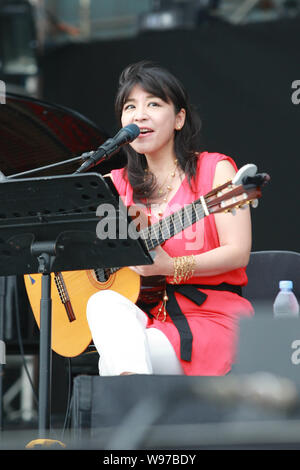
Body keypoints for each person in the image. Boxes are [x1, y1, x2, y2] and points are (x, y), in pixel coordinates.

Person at [86, 60, 253, 376]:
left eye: (153, 103)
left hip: (210, 320)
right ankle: (140, 408)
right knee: (102, 304)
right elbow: (82, 253)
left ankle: (134, 415)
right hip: (145, 319)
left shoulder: (215, 171)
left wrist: (171, 267)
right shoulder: (113, 185)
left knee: (112, 361)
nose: (139, 115)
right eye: (130, 107)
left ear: (179, 118)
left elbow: (238, 252)